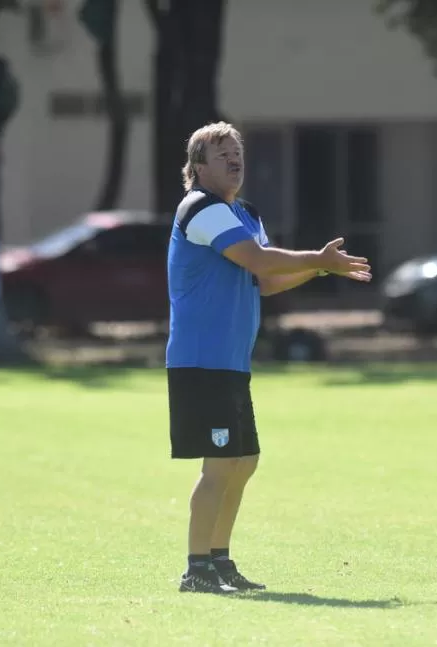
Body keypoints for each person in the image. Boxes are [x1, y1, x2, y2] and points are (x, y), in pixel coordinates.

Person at [166, 122, 372, 594]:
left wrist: (319, 266)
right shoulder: (200, 208)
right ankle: (196, 569)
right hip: (201, 360)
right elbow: (259, 261)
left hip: (230, 362)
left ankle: (219, 562)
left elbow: (268, 280)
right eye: (222, 154)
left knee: (244, 461)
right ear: (198, 168)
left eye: (237, 152)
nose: (234, 159)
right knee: (219, 465)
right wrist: (315, 258)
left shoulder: (244, 213)